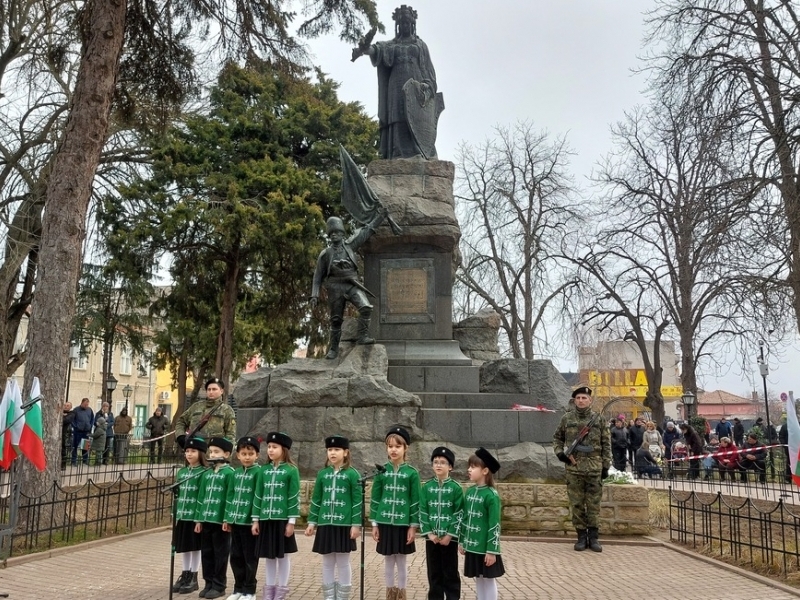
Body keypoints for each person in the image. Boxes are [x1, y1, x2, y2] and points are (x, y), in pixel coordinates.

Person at [353, 5, 441, 160]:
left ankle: (418, 151)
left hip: (416, 84)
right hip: (396, 85)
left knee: (415, 116)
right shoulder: (391, 45)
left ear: (413, 24)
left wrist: (428, 85)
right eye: (402, 23)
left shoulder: (420, 46)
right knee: (398, 115)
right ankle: (398, 152)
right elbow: (377, 50)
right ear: (398, 25)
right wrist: (365, 49)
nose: (405, 26)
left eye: (408, 23)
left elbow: (428, 70)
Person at [310, 210, 386, 360]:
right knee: (336, 319)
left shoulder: (351, 246)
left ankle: (362, 337)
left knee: (365, 308)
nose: (334, 235)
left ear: (342, 233)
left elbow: (368, 231)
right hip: (335, 287)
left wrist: (381, 216)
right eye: (331, 233)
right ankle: (333, 349)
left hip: (352, 284)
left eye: (337, 232)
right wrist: (314, 295)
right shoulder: (325, 254)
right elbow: (317, 277)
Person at [552, 386, 611, 553]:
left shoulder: (599, 420)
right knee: (577, 505)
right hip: (574, 469)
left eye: (584, 398)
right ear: (574, 400)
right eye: (578, 398)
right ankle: (580, 537)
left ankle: (593, 538)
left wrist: (606, 466)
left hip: (594, 469)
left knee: (593, 505)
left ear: (590, 400)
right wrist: (560, 454)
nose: (581, 400)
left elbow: (606, 443)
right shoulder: (566, 418)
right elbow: (556, 439)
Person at [305, 435, 362, 600]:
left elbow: (357, 502)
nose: (333, 453)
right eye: (330, 450)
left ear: (346, 452)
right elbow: (316, 499)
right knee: (327, 563)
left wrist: (356, 524)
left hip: (344, 525)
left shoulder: (353, 474)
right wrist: (311, 522)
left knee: (343, 563)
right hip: (325, 524)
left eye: (337, 450)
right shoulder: (322, 474)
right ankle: (329, 597)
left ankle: (342, 597)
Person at [371, 426, 420, 600]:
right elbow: (375, 498)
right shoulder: (381, 471)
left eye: (397, 446)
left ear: (405, 448)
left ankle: (402, 594)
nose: (393, 449)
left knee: (401, 561)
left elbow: (415, 501)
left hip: (402, 524)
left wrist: (413, 526)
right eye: (390, 446)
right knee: (388, 561)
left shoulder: (412, 473)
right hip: (385, 522)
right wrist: (375, 524)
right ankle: (390, 594)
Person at [253, 432, 300, 600]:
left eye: (274, 447)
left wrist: (291, 521)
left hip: (282, 520)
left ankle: (282, 590)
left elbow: (294, 496)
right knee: (269, 557)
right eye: (269, 447)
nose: (270, 450)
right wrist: (255, 520)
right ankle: (269, 590)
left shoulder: (291, 470)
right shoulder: (263, 470)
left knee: (283, 556)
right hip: (266, 519)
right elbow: (258, 495)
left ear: (284, 449)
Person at [458, 448, 504, 600]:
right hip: (472, 546)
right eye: (469, 466)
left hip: (486, 548)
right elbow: (464, 519)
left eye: (473, 467)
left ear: (485, 471)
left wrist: (492, 550)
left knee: (488, 580)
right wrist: (462, 541)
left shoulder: (492, 496)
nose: (469, 470)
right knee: (478, 578)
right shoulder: (470, 492)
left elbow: (494, 524)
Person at [420, 446, 463, 600]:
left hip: (448, 540)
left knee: (450, 572)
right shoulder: (426, 487)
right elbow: (423, 510)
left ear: (450, 467)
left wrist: (449, 535)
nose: (438, 465)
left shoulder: (456, 488)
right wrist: (429, 533)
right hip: (431, 539)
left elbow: (458, 513)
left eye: (443, 462)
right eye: (436, 462)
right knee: (434, 573)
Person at [195, 436, 235, 599]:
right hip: (206, 519)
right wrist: (198, 519)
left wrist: (227, 519)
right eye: (210, 451)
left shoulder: (229, 473)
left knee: (220, 553)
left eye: (216, 451)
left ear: (226, 454)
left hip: (220, 521)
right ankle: (208, 582)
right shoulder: (206, 474)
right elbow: (201, 496)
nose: (212, 454)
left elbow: (231, 497)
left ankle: (219, 585)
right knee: (206, 552)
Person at [223, 436, 262, 600]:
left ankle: (249, 590)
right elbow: (230, 496)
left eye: (250, 453)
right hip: (235, 521)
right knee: (236, 557)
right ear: (237, 455)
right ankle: (238, 589)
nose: (247, 457)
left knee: (250, 558)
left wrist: (255, 520)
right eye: (243, 453)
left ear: (257, 455)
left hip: (249, 523)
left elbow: (259, 497)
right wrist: (226, 518)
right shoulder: (235, 473)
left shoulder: (259, 472)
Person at [172, 436, 208, 594]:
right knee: (184, 547)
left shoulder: (204, 473)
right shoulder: (182, 472)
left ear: (201, 453)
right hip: (182, 516)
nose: (189, 454)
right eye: (187, 451)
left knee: (195, 547)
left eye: (193, 451)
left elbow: (203, 496)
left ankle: (193, 576)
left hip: (195, 516)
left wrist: (199, 518)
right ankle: (185, 573)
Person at [71, 397, 94, 466]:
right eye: (85, 404)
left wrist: (90, 426)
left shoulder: (89, 410)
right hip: (78, 431)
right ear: (82, 403)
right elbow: (72, 419)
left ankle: (85, 460)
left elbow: (92, 419)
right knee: (75, 446)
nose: (86, 406)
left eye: (87, 404)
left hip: (86, 431)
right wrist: (76, 426)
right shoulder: (76, 410)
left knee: (85, 446)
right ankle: (73, 461)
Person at [61, 401, 75, 469]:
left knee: (63, 449)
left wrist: (62, 416)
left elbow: (66, 420)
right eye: (65, 405)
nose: (66, 406)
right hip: (60, 433)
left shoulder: (72, 413)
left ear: (70, 407)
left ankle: (63, 464)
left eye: (68, 405)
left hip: (65, 433)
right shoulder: (61, 412)